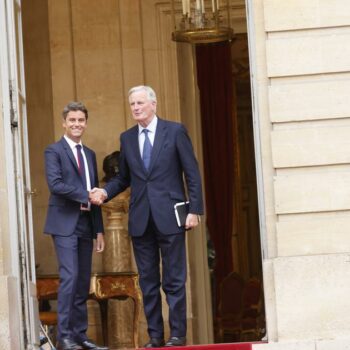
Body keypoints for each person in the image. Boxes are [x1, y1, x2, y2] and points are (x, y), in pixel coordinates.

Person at [90, 85, 204, 347]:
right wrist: (105, 192)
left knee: (174, 280)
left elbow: (192, 173)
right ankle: (155, 337)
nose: (136, 107)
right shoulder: (127, 138)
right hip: (141, 220)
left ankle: (177, 335)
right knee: (149, 282)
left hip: (171, 217)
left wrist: (195, 210)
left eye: (140, 102)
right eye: (132, 104)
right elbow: (124, 178)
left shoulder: (174, 131)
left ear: (154, 104)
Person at [43, 102, 108, 350]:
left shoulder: (90, 154)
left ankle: (80, 335)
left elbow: (95, 196)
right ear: (64, 123)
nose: (77, 124)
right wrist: (86, 194)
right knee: (69, 277)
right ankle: (65, 335)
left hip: (85, 223)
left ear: (86, 123)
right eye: (72, 120)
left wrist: (98, 230)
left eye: (81, 120)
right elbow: (56, 185)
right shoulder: (54, 151)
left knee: (82, 281)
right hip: (63, 223)